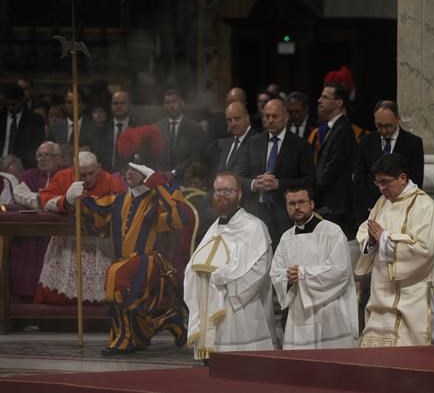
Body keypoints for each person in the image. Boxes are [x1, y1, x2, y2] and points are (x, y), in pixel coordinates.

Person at [77, 132, 189, 355]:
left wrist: (157, 182)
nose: (128, 173)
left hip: (152, 262)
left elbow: (181, 218)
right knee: (120, 275)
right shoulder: (118, 199)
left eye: (136, 169)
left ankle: (125, 339)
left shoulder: (159, 197)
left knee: (117, 274)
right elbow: (94, 218)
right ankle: (169, 319)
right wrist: (73, 198)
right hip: (125, 262)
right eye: (126, 168)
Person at [356, 154, 434, 347]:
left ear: (402, 177)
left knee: (407, 349)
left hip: (413, 292)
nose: (381, 188)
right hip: (381, 291)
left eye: (385, 182)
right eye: (378, 183)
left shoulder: (424, 205)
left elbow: (426, 249)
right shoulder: (381, 203)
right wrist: (371, 240)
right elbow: (366, 230)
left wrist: (385, 238)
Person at [184, 171, 275, 360]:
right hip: (211, 310)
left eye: (228, 190)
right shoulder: (214, 228)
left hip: (241, 310)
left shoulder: (254, 226)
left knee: (243, 366)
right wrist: (198, 275)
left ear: (239, 194)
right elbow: (194, 265)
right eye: (218, 190)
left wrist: (223, 283)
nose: (222, 195)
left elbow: (259, 269)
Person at [270, 186, 358, 349]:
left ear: (311, 204)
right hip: (299, 313)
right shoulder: (286, 238)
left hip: (329, 310)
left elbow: (340, 269)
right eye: (291, 204)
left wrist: (303, 274)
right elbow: (276, 272)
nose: (297, 207)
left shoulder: (332, 231)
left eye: (301, 202)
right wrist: (288, 277)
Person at [35, 151, 125, 304]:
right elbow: (45, 200)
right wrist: (66, 200)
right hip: (68, 244)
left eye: (91, 173)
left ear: (98, 167)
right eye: (82, 175)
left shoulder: (111, 181)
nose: (87, 179)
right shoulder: (63, 177)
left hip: (99, 246)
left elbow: (122, 205)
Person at [234, 98, 315, 248]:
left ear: (286, 116)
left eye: (275, 116)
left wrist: (279, 184)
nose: (270, 120)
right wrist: (254, 184)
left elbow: (309, 182)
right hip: (255, 211)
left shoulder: (301, 146)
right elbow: (237, 177)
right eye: (267, 116)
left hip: (285, 214)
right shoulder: (253, 142)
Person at [354, 100, 424, 226]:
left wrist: (399, 205)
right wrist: (372, 207)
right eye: (379, 125)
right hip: (370, 212)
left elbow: (416, 180)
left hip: (402, 213)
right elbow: (359, 178)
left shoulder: (413, 143)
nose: (383, 130)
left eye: (387, 126)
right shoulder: (365, 142)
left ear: (397, 119)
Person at [10, 142, 63, 301]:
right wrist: (45, 200)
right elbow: (19, 194)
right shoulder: (29, 175)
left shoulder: (65, 175)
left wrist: (39, 199)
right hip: (32, 231)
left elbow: (66, 199)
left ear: (58, 158)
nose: (42, 159)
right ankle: (25, 296)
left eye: (47, 155)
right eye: (39, 155)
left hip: (58, 231)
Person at [313, 82, 357, 238]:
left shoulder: (343, 129)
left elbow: (331, 169)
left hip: (336, 207)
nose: (320, 100)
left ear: (339, 102)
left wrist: (313, 195)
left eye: (325, 97)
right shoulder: (334, 128)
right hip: (329, 203)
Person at [155, 87, 205, 180]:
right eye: (167, 103)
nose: (171, 106)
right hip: (161, 180)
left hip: (185, 180)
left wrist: (174, 173)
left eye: (174, 102)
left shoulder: (195, 128)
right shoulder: (157, 128)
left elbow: (195, 158)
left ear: (182, 103)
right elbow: (154, 156)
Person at [1, 84, 46, 169]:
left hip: (23, 166)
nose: (10, 107)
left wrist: (19, 162)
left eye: (14, 104)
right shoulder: (1, 117)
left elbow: (37, 147)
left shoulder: (35, 120)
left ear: (22, 101)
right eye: (7, 104)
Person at [94, 90, 138, 173]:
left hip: (131, 175)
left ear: (130, 105)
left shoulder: (137, 128)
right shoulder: (102, 130)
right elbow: (98, 157)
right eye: (115, 103)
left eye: (122, 103)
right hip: (107, 176)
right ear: (111, 106)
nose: (118, 106)